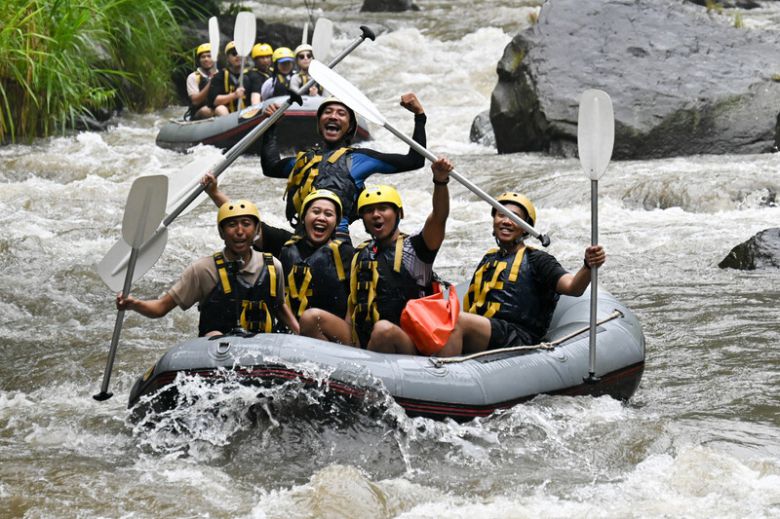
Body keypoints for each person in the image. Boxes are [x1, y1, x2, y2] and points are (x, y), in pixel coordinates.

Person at [299, 158, 463, 357]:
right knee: (311, 318)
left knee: (383, 330)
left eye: (383, 208)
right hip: (365, 343)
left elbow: (439, 216)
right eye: (369, 211)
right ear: (363, 220)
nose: (375, 215)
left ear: (398, 213)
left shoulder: (416, 248)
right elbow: (354, 307)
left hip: (406, 345)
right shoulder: (361, 253)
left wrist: (440, 181)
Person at [256, 95, 427, 249]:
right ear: (319, 123)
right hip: (302, 238)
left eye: (341, 113)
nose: (333, 116)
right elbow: (271, 167)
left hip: (337, 244)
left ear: (350, 126)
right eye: (328, 112)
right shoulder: (304, 161)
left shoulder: (360, 159)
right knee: (252, 227)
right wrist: (271, 126)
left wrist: (419, 116)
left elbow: (414, 161)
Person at [115, 200, 299, 336]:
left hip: (263, 351)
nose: (239, 231)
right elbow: (161, 308)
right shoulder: (202, 270)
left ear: (257, 230)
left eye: (246, 224)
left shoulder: (273, 266)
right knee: (214, 335)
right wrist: (134, 304)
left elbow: (280, 307)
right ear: (221, 232)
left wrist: (301, 336)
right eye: (231, 225)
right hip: (216, 354)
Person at [458, 192, 606, 352]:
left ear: (525, 228)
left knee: (456, 320)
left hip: (518, 337)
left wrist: (588, 266)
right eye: (501, 215)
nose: (506, 221)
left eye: (514, 217)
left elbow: (573, 288)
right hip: (485, 332)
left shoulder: (537, 260)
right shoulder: (489, 258)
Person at [279, 189, 354, 319]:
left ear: (336, 223)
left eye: (328, 214)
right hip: (291, 328)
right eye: (316, 212)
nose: (321, 218)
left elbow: (355, 301)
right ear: (303, 217)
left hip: (332, 328)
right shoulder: (287, 248)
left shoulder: (345, 253)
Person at [209, 41, 253, 116]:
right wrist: (234, 95)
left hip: (248, 113)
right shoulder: (219, 76)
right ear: (228, 58)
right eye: (234, 53)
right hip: (228, 115)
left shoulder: (252, 75)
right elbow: (215, 101)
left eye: (240, 53)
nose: (238, 56)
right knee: (220, 109)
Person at [185, 43, 217, 120]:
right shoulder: (193, 77)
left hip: (219, 108)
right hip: (200, 112)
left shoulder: (222, 74)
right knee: (206, 111)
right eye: (203, 57)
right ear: (199, 60)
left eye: (209, 56)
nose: (206, 59)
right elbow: (195, 101)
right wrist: (211, 82)